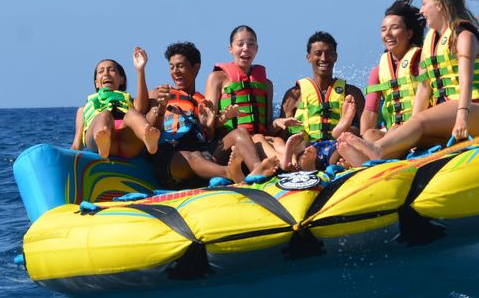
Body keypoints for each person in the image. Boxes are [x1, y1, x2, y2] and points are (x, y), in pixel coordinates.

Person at [338, 0, 479, 165]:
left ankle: (378, 150)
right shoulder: (430, 43)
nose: (421, 10)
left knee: (418, 122)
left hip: (474, 109)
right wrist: (409, 128)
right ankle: (366, 160)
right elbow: (424, 89)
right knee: (403, 133)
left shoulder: (463, 36)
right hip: (445, 113)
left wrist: (462, 116)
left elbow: (466, 81)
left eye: (424, 4)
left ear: (440, 5)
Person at [146, 42, 268, 188]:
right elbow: (149, 130)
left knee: (240, 133)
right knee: (194, 155)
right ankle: (229, 173)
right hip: (172, 160)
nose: (175, 71)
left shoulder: (203, 102)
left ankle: (258, 169)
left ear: (195, 68)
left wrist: (209, 124)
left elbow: (209, 137)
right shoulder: (159, 94)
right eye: (172, 67)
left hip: (203, 154)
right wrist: (161, 109)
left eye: (180, 66)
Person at [276, 31, 364, 171]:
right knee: (301, 145)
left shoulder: (352, 93)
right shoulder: (294, 95)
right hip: (306, 147)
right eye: (318, 53)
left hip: (336, 147)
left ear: (335, 57)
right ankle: (309, 165)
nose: (324, 58)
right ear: (308, 57)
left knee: (346, 138)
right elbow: (282, 134)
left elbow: (364, 129)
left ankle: (336, 162)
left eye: (329, 53)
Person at [204, 25, 282, 171]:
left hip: (259, 142)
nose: (246, 48)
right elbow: (207, 128)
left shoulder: (266, 85)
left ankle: (291, 165)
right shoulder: (217, 78)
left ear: (256, 49)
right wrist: (225, 118)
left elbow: (267, 127)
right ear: (230, 48)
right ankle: (261, 168)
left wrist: (278, 123)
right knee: (243, 133)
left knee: (277, 140)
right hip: (226, 147)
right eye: (240, 44)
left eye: (251, 44)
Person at [360, 0, 426, 141]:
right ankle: (365, 154)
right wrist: (362, 139)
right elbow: (370, 112)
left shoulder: (422, 60)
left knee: (395, 130)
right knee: (370, 134)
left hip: (420, 129)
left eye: (394, 28)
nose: (387, 34)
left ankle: (369, 152)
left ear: (409, 33)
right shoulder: (378, 71)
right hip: (393, 134)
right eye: (383, 29)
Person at [70, 48, 161, 159]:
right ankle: (103, 141)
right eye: (101, 71)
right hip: (98, 139)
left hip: (127, 141)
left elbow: (142, 108)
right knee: (104, 115)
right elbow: (76, 144)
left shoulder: (130, 101)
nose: (106, 73)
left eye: (111, 70)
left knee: (132, 113)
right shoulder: (83, 110)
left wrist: (140, 70)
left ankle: (147, 135)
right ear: (96, 83)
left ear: (121, 80)